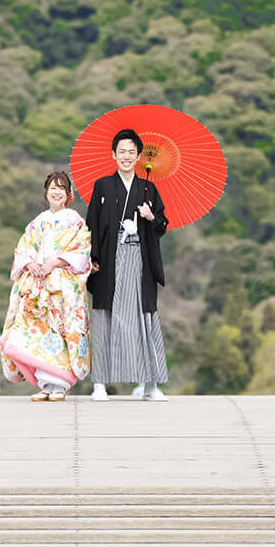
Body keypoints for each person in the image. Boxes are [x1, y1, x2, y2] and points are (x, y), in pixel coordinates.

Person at [85, 128, 170, 402]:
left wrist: (150, 217)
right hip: (110, 260)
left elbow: (163, 225)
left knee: (144, 320)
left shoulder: (149, 188)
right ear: (113, 154)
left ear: (138, 156)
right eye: (121, 151)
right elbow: (93, 225)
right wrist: (93, 259)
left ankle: (150, 385)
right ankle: (99, 382)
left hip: (139, 262)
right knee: (105, 319)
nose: (126, 156)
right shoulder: (102, 186)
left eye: (131, 152)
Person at [0, 171, 92, 402]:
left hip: (61, 283)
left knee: (58, 331)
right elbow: (23, 248)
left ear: (69, 194)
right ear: (46, 192)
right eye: (52, 187)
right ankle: (45, 384)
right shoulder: (37, 222)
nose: (56, 191)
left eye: (62, 188)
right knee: (38, 331)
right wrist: (31, 263)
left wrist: (54, 263)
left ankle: (59, 385)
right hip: (38, 282)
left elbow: (81, 250)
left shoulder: (75, 220)